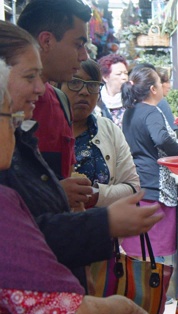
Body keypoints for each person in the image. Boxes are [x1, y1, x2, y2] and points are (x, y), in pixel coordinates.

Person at [0, 58, 154, 314]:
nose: (16, 129)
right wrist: (124, 308)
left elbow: (132, 185)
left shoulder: (107, 129)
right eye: (10, 117)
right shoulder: (4, 206)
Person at [0, 21, 162, 291]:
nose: (40, 89)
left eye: (93, 86)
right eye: (31, 77)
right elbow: (26, 237)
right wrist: (102, 221)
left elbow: (132, 186)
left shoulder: (104, 129)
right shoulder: (37, 123)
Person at [120, 66, 178, 262]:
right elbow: (160, 139)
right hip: (154, 187)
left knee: (137, 254)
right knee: (153, 256)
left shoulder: (130, 112)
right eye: (160, 83)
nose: (162, 87)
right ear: (152, 89)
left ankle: (138, 291)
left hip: (136, 182)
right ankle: (156, 292)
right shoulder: (152, 112)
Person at [17, 0, 91, 180]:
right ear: (47, 41)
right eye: (78, 45)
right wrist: (55, 194)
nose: (84, 56)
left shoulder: (61, 101)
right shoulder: (8, 101)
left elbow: (67, 172)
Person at [61, 59, 140, 207]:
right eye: (75, 82)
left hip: (102, 226)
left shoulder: (108, 130)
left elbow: (132, 187)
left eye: (92, 85)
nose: (84, 92)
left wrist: (96, 196)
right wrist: (57, 193)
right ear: (57, 87)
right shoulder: (43, 129)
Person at [97, 53, 129, 127]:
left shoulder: (132, 99)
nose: (124, 77)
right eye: (119, 74)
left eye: (126, 73)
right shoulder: (97, 99)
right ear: (105, 77)